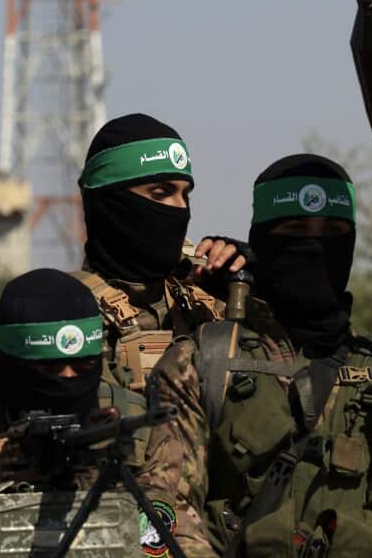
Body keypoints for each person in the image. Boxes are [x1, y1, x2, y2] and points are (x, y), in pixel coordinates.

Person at [144, 154, 372, 557]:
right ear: (262, 240)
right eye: (295, 229)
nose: (314, 246)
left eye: (333, 231)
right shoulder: (203, 362)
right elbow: (161, 523)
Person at [0, 268, 178, 557]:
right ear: (10, 364)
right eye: (49, 369)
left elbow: (166, 543)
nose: (68, 380)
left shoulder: (137, 428)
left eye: (85, 367)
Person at [74, 113, 246, 390]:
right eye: (160, 193)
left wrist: (253, 291)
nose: (180, 208)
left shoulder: (205, 304)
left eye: (185, 194)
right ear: (110, 202)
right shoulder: (70, 314)